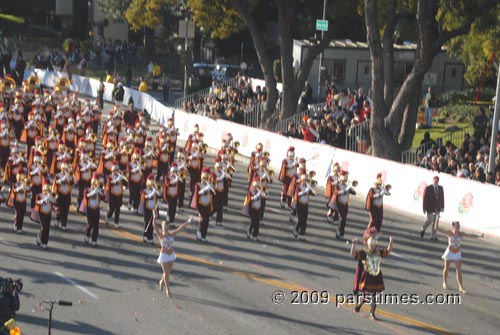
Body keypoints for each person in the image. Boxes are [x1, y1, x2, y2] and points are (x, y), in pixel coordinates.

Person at [350, 231, 394, 320]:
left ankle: (372, 313)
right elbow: (353, 253)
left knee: (374, 296)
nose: (373, 246)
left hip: (376, 276)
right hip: (367, 277)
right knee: (366, 296)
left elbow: (388, 251)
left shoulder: (378, 252)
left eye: (374, 245)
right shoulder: (364, 253)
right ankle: (359, 305)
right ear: (369, 245)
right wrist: (353, 245)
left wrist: (391, 242)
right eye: (372, 245)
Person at [154, 216, 193, 297]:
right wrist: (154, 219)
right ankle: (168, 289)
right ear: (162, 227)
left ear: (168, 227)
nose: (165, 228)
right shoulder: (161, 235)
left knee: (168, 272)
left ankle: (161, 281)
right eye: (163, 227)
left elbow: (180, 227)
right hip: (164, 256)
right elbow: (154, 227)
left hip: (171, 255)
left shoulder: (172, 234)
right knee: (166, 273)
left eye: (166, 227)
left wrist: (188, 221)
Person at [437, 221, 475, 294]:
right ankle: (444, 282)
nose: (458, 227)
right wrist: (437, 219)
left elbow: (470, 235)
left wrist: (479, 236)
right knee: (446, 268)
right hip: (449, 251)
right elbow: (437, 228)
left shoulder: (461, 234)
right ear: (453, 227)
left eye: (459, 226)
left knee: (459, 270)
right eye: (456, 226)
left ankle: (461, 287)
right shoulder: (449, 233)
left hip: (457, 252)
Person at [420, 176, 444, 240]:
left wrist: (442, 206)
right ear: (433, 180)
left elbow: (442, 198)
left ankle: (433, 236)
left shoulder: (440, 188)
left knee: (435, 222)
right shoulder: (428, 188)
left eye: (437, 180)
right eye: (435, 180)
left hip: (437, 207)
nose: (436, 181)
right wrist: (424, 207)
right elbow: (425, 198)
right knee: (430, 219)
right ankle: (423, 228)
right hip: (430, 207)